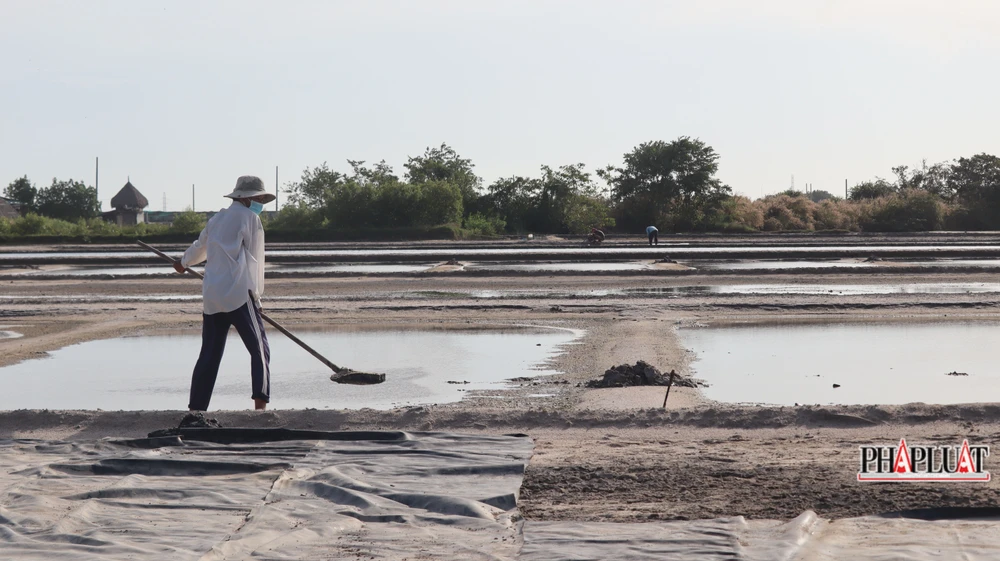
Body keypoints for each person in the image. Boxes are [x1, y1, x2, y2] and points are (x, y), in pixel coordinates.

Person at [174, 176, 275, 411]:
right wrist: (257, 298)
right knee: (260, 349)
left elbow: (201, 248)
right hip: (238, 295)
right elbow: (255, 261)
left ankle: (196, 409)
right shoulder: (251, 219)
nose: (261, 202)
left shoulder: (217, 219)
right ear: (247, 199)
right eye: (259, 198)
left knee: (209, 354)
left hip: (212, 296)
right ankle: (260, 409)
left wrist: (182, 263)